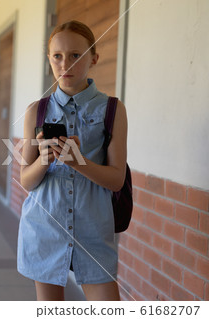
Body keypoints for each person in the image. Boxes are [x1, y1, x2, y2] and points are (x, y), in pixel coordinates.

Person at [17, 20, 128, 301]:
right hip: (43, 228)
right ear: (49, 60)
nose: (65, 64)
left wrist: (77, 162)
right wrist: (44, 160)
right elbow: (26, 181)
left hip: (93, 230)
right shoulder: (36, 111)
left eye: (76, 55)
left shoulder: (112, 110)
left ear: (94, 58)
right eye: (57, 56)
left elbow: (116, 180)